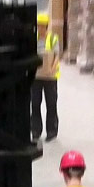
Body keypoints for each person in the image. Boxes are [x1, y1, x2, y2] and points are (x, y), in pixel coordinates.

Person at [32, 11, 61, 142]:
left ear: (46, 26)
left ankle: (51, 131)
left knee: (51, 104)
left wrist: (52, 69)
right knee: (35, 103)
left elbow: (56, 56)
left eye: (41, 26)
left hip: (50, 77)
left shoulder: (53, 39)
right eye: (38, 26)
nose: (39, 28)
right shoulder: (33, 39)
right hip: (36, 77)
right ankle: (35, 130)